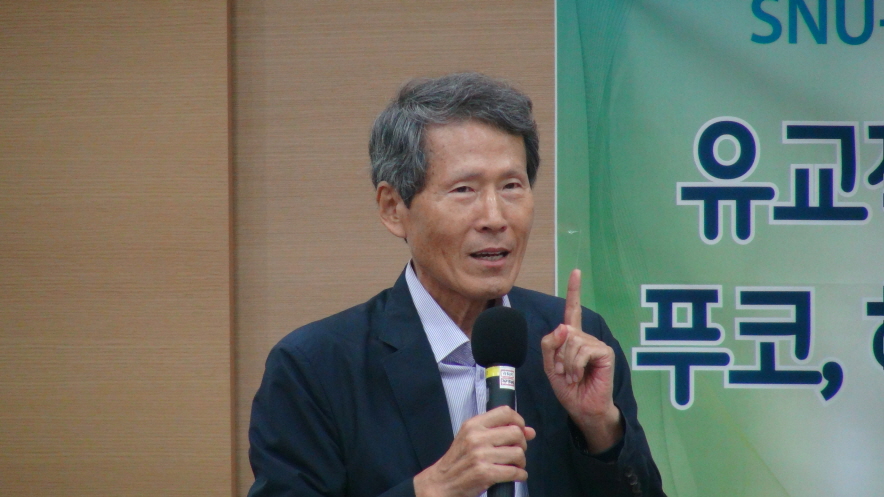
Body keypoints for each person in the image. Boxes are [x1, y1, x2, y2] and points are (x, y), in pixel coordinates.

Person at [247, 73, 665, 497]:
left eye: (512, 186)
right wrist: (433, 488)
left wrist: (600, 428)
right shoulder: (316, 368)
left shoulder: (575, 342)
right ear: (393, 209)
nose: (495, 218)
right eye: (464, 189)